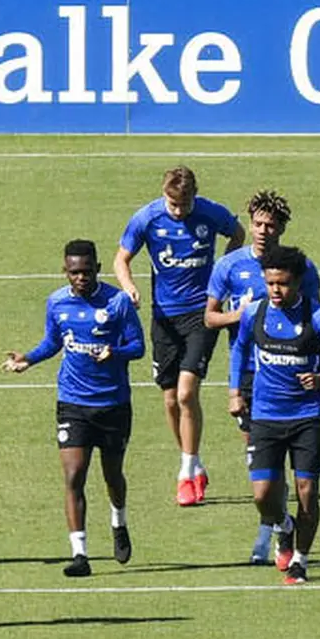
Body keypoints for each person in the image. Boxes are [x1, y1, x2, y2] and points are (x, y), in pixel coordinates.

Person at [2, 240, 145, 578]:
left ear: (97, 268)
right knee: (73, 475)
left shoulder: (118, 302)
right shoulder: (57, 303)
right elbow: (53, 342)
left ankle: (118, 521)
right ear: (65, 271)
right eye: (73, 272)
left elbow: (138, 346)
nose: (80, 277)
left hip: (112, 403)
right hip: (73, 403)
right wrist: (28, 359)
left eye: (86, 271)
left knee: (112, 475)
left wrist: (116, 352)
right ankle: (79, 553)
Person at [114, 166, 244, 506]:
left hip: (202, 314)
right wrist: (129, 287)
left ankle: (185, 474)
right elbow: (121, 259)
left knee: (187, 393)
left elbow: (238, 233)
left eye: (184, 204)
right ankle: (193, 461)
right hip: (164, 318)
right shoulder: (147, 218)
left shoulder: (210, 212)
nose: (178, 211)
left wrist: (223, 271)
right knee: (171, 399)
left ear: (194, 196)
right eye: (173, 204)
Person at [205, 191, 320, 565]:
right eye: (257, 223)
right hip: (252, 378)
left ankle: (277, 537)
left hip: (289, 378)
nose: (262, 230)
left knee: (284, 468)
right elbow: (210, 318)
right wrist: (242, 317)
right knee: (262, 471)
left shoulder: (300, 269)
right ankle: (279, 522)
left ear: (282, 228)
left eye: (271, 225)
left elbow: (314, 321)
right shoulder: (230, 266)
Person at [229, 246, 320, 584]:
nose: (275, 291)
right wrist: (234, 392)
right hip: (266, 417)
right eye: (270, 283)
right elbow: (240, 348)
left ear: (298, 282)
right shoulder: (253, 313)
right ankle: (284, 526)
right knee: (262, 497)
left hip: (307, 417)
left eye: (282, 284)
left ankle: (300, 561)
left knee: (307, 491)